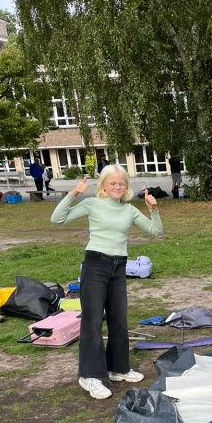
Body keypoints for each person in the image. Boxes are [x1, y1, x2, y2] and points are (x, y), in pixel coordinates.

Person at [51, 165, 163, 399]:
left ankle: (118, 368)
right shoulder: (92, 204)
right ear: (103, 185)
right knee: (92, 321)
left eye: (121, 184)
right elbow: (57, 218)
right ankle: (89, 376)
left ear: (126, 187)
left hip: (119, 267)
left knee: (118, 319)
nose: (117, 187)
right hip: (95, 265)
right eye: (112, 183)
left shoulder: (129, 210)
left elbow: (156, 231)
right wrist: (73, 194)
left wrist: (154, 209)